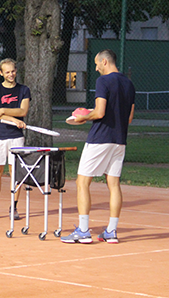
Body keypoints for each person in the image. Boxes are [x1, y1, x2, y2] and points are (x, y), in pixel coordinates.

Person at [61, 49, 135, 244]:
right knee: (114, 184)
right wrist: (93, 113)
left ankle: (83, 231)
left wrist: (82, 118)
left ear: (104, 61)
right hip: (120, 140)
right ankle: (111, 231)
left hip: (100, 138)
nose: (95, 68)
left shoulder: (103, 81)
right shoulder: (129, 84)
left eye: (96, 64)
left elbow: (100, 112)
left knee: (82, 182)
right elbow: (129, 117)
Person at [0, 58, 31, 220]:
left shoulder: (24, 90)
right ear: (1, 73)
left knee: (15, 173)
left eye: (13, 71)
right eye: (7, 72)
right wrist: (13, 119)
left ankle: (14, 208)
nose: (11, 74)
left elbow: (22, 111)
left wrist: (3, 110)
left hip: (16, 138)